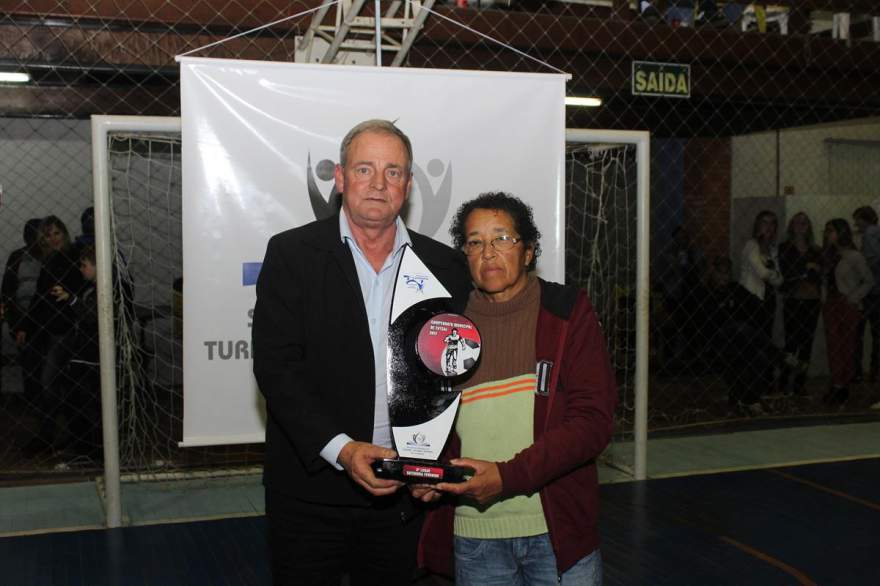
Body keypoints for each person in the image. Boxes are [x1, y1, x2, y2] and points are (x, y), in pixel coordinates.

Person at [252, 119, 472, 585]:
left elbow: (452, 374)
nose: (378, 183)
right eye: (365, 169)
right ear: (340, 178)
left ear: (408, 185)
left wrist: (430, 460)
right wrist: (343, 450)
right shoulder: (292, 254)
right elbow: (277, 368)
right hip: (310, 491)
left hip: (405, 489)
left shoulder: (445, 266)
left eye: (393, 172)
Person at [416, 192, 618, 585]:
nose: (488, 252)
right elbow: (429, 423)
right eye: (475, 242)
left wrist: (509, 477)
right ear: (466, 256)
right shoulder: (444, 327)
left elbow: (593, 421)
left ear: (528, 252)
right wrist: (428, 473)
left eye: (502, 238)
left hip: (559, 533)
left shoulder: (566, 312)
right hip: (475, 536)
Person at [20, 216, 84, 454]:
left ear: (64, 234)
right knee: (45, 385)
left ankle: (65, 436)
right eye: (48, 235)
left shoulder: (75, 257)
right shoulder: (48, 262)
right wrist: (24, 327)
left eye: (57, 233)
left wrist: (69, 294)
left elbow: (82, 291)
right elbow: (38, 299)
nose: (53, 238)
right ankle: (49, 435)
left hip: (68, 331)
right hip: (48, 331)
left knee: (52, 384)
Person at [694, 256, 775, 416]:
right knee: (738, 330)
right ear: (713, 273)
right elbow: (706, 321)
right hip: (716, 340)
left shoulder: (735, 289)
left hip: (740, 340)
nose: (724, 277)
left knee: (755, 354)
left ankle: (750, 400)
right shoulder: (704, 292)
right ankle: (778, 353)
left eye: (727, 273)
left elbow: (756, 306)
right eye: (720, 273)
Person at [821, 219, 873, 407]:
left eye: (831, 231)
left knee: (847, 346)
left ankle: (843, 385)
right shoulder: (829, 255)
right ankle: (837, 384)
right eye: (827, 231)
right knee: (833, 345)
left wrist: (853, 297)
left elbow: (868, 280)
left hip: (847, 305)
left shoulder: (854, 256)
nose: (828, 235)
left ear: (841, 233)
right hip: (831, 305)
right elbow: (825, 281)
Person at [777, 212, 822, 397]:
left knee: (806, 344)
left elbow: (817, 276)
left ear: (809, 226)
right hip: (793, 300)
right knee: (791, 343)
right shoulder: (784, 248)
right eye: (797, 222)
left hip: (812, 301)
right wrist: (807, 271)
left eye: (805, 222)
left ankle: (799, 383)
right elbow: (786, 275)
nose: (801, 225)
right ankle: (784, 380)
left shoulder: (816, 250)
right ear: (791, 226)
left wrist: (806, 273)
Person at [1, 218, 44, 400]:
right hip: (22, 319)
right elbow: (7, 292)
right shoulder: (17, 257)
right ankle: (33, 401)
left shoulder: (51, 256)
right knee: (30, 363)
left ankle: (44, 401)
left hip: (46, 319)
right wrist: (16, 324)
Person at [852, 206, 880, 384]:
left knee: (858, 333)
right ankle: (875, 371)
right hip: (877, 291)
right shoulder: (875, 232)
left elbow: (873, 258)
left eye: (857, 219)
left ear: (865, 219)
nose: (856, 223)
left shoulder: (869, 233)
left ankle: (857, 372)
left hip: (869, 292)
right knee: (877, 334)